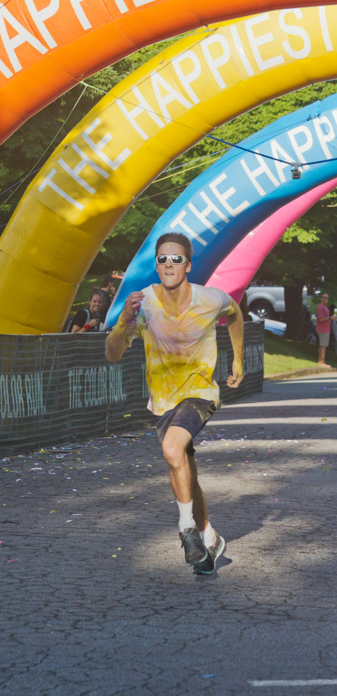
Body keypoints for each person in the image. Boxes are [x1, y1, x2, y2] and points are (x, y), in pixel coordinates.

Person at [105, 232, 244, 575]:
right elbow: (112, 354)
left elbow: (235, 313)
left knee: (171, 448)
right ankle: (209, 538)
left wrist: (238, 359)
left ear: (188, 265)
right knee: (184, 467)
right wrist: (123, 322)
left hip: (199, 393)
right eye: (162, 259)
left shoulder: (209, 298)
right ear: (157, 265)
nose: (169, 264)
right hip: (163, 400)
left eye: (176, 259)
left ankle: (186, 530)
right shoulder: (143, 305)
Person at [316, 293, 336, 366]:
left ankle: (320, 361)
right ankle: (322, 362)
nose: (326, 299)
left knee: (322, 346)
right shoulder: (320, 307)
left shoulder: (325, 307)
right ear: (321, 298)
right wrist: (330, 318)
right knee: (323, 346)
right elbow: (320, 319)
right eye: (324, 297)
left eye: (327, 298)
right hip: (322, 329)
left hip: (326, 329)